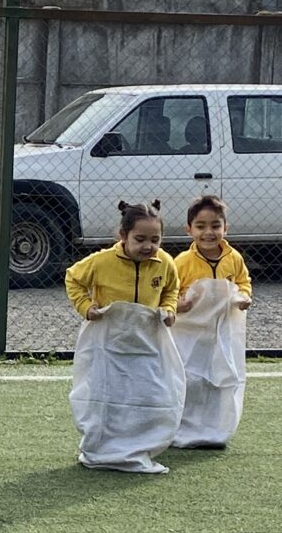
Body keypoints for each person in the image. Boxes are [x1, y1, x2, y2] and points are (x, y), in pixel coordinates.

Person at [65, 200, 184, 474]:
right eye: (140, 239)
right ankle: (100, 450)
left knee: (151, 393)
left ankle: (139, 448)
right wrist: (85, 306)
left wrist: (169, 308)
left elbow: (171, 289)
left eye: (155, 239)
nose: (148, 246)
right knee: (105, 394)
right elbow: (73, 278)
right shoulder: (101, 261)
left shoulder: (164, 262)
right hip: (108, 343)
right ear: (123, 236)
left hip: (147, 342)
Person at [170, 195, 251, 448]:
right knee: (191, 378)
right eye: (201, 226)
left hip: (221, 332)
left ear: (225, 228)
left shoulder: (233, 258)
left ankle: (215, 428)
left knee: (221, 376)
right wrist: (177, 305)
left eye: (215, 225)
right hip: (191, 334)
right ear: (189, 229)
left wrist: (244, 297)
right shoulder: (182, 262)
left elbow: (242, 282)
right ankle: (183, 428)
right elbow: (169, 291)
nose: (209, 232)